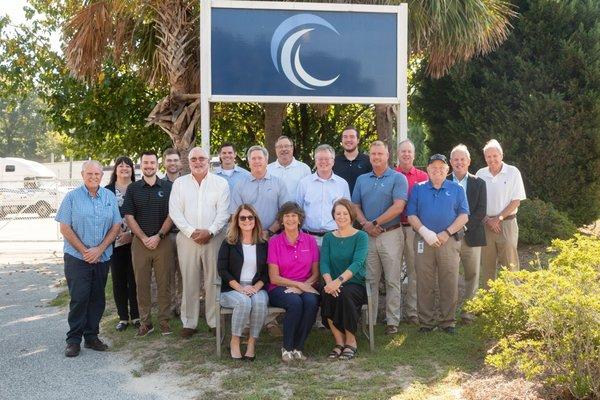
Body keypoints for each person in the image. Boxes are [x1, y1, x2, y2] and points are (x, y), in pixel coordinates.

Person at [56, 160, 121, 357]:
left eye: (97, 174)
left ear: (102, 176)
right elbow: (65, 227)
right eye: (89, 174)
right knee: (79, 298)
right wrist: (85, 251)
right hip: (77, 257)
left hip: (102, 257)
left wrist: (99, 249)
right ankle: (73, 340)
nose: (93, 177)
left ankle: (91, 336)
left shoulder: (109, 196)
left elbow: (116, 225)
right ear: (83, 175)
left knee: (97, 298)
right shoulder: (72, 197)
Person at [169, 147, 230, 338]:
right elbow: (175, 212)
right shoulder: (179, 184)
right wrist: (191, 232)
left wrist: (210, 232)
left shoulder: (221, 183)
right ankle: (189, 322)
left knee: (213, 280)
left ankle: (213, 321)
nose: (198, 162)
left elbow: (224, 213)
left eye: (201, 158)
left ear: (208, 160)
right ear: (188, 162)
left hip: (214, 238)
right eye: (194, 159)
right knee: (189, 280)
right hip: (188, 239)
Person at [407, 154, 469, 334]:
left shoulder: (456, 189)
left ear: (447, 169)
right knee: (424, 282)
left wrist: (446, 232)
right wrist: (425, 233)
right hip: (423, 241)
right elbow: (412, 215)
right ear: (427, 170)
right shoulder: (418, 189)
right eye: (433, 168)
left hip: (448, 241)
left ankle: (447, 322)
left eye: (441, 167)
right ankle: (426, 322)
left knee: (449, 280)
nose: (437, 170)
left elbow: (464, 215)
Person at [352, 141, 408, 335]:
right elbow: (355, 206)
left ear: (387, 155)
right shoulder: (362, 179)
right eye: (373, 154)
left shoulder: (398, 178)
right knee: (370, 279)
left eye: (380, 154)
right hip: (368, 236)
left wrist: (373, 223)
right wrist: (366, 225)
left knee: (393, 279)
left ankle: (393, 321)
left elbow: (398, 207)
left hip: (391, 234)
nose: (376, 157)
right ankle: (371, 320)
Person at [122, 151, 174, 337]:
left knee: (164, 283)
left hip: (163, 241)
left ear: (157, 165)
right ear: (141, 165)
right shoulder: (133, 189)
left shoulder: (168, 187)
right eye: (146, 163)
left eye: (152, 162)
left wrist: (159, 235)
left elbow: (172, 215)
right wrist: (144, 238)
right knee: (141, 284)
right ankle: (146, 323)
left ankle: (164, 321)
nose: (149, 166)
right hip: (140, 243)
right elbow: (129, 216)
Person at [267, 202, 320, 362]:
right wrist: (297, 285)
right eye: (287, 216)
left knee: (312, 301)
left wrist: (303, 286)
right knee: (295, 303)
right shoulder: (274, 242)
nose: (290, 219)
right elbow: (274, 277)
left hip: (306, 285)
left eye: (294, 215)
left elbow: (316, 273)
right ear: (281, 220)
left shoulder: (310, 241)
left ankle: (299, 346)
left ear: (300, 219)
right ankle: (287, 347)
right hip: (279, 287)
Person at [217, 204, 269, 360]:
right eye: (243, 218)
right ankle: (235, 340)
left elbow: (267, 273)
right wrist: (240, 288)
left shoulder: (263, 244)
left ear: (255, 220)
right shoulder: (229, 243)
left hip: (256, 287)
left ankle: (252, 342)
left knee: (259, 302)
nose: (247, 220)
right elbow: (222, 270)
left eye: (250, 217)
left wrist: (256, 287)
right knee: (244, 302)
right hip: (232, 288)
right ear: (237, 221)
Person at [320, 198, 368, 360]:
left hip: (355, 284)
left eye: (345, 213)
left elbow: (357, 263)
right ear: (333, 215)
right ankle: (339, 342)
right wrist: (329, 283)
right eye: (338, 213)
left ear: (351, 215)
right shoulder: (328, 237)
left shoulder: (361, 236)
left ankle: (351, 341)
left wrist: (337, 282)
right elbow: (324, 262)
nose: (341, 216)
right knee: (326, 294)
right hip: (331, 283)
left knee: (345, 294)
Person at [476, 139, 526, 289]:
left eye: (495, 155)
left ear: (501, 155)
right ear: (485, 158)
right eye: (488, 156)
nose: (492, 159)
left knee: (510, 264)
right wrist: (488, 220)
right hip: (486, 225)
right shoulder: (480, 174)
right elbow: (476, 202)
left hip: (507, 223)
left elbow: (516, 201)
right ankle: (489, 301)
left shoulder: (513, 172)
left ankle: (512, 300)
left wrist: (498, 219)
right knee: (487, 265)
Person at [448, 145, 487, 322]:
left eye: (462, 159)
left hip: (472, 235)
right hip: (448, 237)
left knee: (472, 275)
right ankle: (449, 313)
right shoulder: (444, 181)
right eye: (455, 159)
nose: (459, 162)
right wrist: (452, 229)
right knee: (450, 275)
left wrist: (462, 227)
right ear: (450, 162)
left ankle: (468, 312)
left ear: (469, 161)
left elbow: (480, 211)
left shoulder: (479, 183)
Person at [395, 139, 429, 324]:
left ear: (414, 155)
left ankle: (412, 312)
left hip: (414, 230)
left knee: (414, 270)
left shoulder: (423, 177)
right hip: (393, 228)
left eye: (409, 151)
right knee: (393, 272)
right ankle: (395, 313)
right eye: (403, 152)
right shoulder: (391, 175)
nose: (406, 154)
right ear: (398, 154)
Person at [105, 156, 140, 332]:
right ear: (115, 169)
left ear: (132, 170)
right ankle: (123, 318)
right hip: (115, 241)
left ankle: (136, 316)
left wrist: (131, 234)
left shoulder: (138, 188)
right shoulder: (107, 191)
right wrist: (117, 233)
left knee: (134, 279)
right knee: (119, 279)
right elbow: (103, 215)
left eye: (128, 165)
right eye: (121, 165)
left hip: (135, 240)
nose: (124, 168)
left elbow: (142, 214)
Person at [296, 144, 350, 245]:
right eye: (320, 159)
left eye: (327, 159)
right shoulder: (304, 183)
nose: (323, 162)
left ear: (333, 161)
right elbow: (297, 210)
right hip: (308, 238)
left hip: (335, 237)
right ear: (315, 161)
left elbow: (348, 213)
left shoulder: (342, 184)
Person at [230, 145, 290, 235]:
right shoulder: (240, 185)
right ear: (249, 162)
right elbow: (235, 214)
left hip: (273, 237)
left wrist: (270, 231)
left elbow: (286, 212)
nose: (257, 161)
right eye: (253, 158)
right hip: (247, 237)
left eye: (260, 158)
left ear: (266, 161)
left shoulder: (279, 183)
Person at [162, 148, 183, 317]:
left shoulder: (187, 183)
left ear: (180, 163)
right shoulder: (159, 184)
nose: (173, 163)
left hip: (184, 234)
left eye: (175, 160)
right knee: (167, 272)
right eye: (169, 160)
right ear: (164, 163)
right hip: (166, 235)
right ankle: (169, 307)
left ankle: (182, 306)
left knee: (183, 272)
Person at [333, 126, 372, 195]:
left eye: (352, 137)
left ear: (358, 140)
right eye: (345, 137)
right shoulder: (334, 161)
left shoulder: (368, 161)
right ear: (341, 140)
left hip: (362, 204)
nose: (348, 140)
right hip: (341, 204)